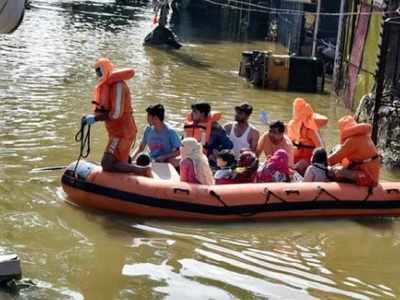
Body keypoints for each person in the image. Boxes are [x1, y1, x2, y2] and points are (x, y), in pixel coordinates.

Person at [84, 57, 148, 175]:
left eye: (100, 71)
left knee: (107, 163)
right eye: (97, 72)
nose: (98, 75)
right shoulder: (108, 85)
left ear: (106, 69)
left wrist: (95, 118)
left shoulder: (117, 86)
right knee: (118, 161)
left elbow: (116, 114)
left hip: (122, 132)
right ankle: (129, 175)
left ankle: (141, 170)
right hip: (117, 132)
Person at [328, 115, 381, 187]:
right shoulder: (365, 137)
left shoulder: (352, 140)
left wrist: (320, 162)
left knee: (335, 171)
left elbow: (335, 158)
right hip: (372, 176)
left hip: (368, 178)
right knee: (340, 168)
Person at [287, 98, 327, 172]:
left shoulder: (310, 129)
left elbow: (321, 147)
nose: (295, 113)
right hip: (295, 157)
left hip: (309, 160)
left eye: (297, 111)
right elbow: (287, 143)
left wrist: (324, 164)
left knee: (301, 165)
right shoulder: (292, 125)